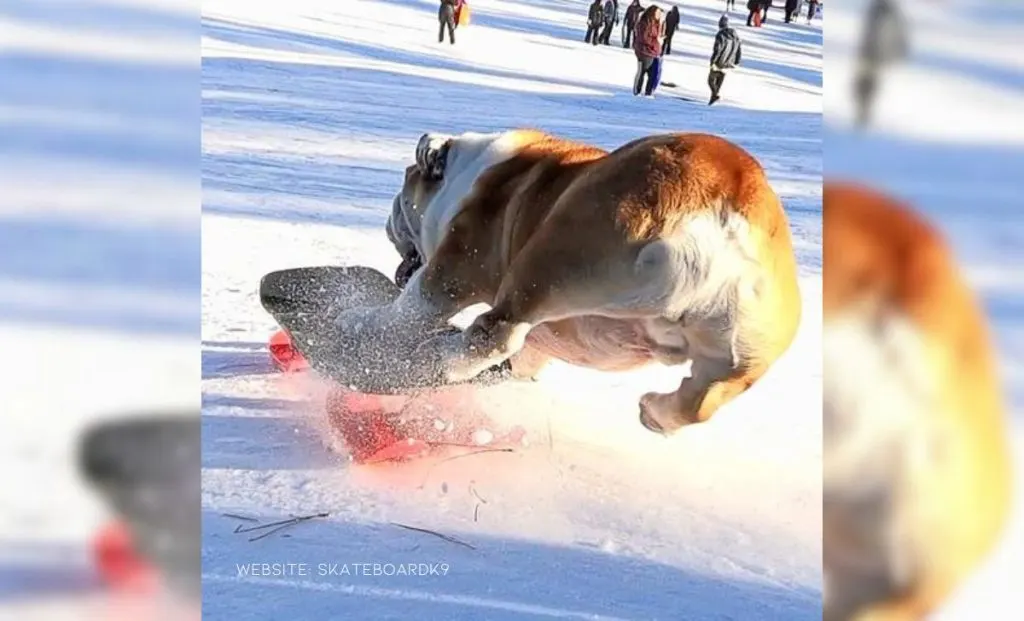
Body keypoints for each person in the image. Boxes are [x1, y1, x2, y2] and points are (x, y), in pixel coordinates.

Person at [854, 0, 907, 127]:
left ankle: (865, 110)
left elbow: (898, 34)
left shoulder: (889, 11)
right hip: (870, 51)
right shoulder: (878, 9)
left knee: (870, 82)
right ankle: (863, 109)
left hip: (876, 53)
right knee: (866, 81)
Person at [708, 14, 741, 105]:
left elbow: (717, 49)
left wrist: (713, 61)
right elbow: (739, 48)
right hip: (729, 62)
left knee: (711, 80)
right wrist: (737, 60)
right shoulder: (735, 35)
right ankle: (713, 99)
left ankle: (715, 95)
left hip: (719, 62)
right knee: (719, 80)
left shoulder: (720, 35)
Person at [632, 6, 664, 97]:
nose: (659, 15)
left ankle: (648, 92)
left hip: (653, 52)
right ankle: (637, 91)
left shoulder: (656, 24)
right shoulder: (644, 23)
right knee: (642, 71)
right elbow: (644, 38)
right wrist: (656, 41)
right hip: (644, 52)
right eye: (658, 13)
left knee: (653, 74)